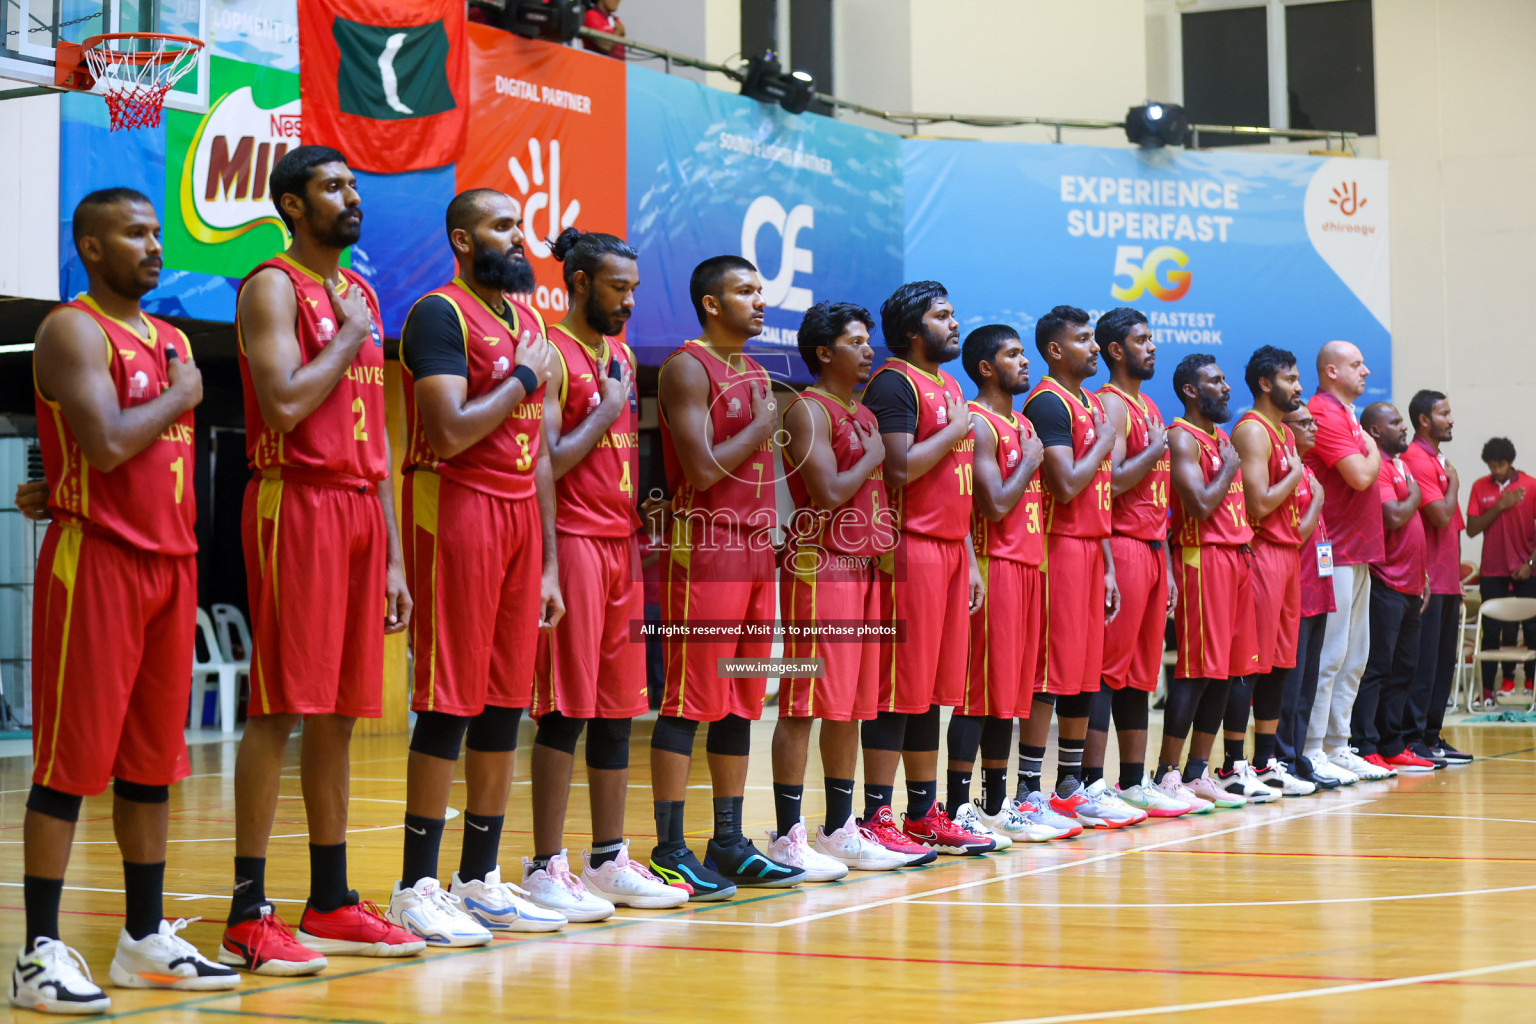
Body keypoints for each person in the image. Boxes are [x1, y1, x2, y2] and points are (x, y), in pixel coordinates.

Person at [11, 188, 236, 1015]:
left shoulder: (171, 338)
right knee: (69, 766)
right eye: (134, 234)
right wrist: (182, 396)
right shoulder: (71, 329)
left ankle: (144, 939)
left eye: (156, 232)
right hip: (97, 562)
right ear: (91, 248)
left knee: (151, 766)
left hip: (170, 568)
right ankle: (38, 952)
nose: (153, 245)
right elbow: (105, 445)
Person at [224, 146, 423, 973]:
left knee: (343, 709)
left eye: (354, 186)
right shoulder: (271, 286)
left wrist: (393, 559)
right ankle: (246, 910)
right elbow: (287, 399)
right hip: (293, 500)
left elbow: (373, 431)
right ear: (292, 205)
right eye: (333, 187)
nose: (352, 198)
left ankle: (332, 899)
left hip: (357, 510)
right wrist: (346, 338)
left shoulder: (364, 294)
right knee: (279, 706)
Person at [387, 189, 575, 943]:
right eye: (503, 226)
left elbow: (538, 457)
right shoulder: (439, 313)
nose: (518, 239)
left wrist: (551, 565)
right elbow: (451, 429)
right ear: (464, 240)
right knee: (448, 702)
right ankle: (415, 885)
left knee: (504, 702)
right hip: (454, 508)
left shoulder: (529, 323)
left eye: (519, 226)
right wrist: (526, 379)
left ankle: (480, 877)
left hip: (519, 521)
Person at [528, 227, 691, 909]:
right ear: (579, 283)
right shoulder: (549, 351)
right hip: (571, 542)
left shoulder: (618, 353)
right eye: (617, 288)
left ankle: (607, 858)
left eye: (634, 289)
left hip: (622, 545)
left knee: (620, 709)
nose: (629, 302)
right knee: (564, 707)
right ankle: (544, 865)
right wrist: (611, 408)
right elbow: (548, 459)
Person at [648, 256, 805, 899]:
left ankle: (729, 841)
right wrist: (766, 427)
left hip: (754, 547)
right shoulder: (687, 367)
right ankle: (668, 847)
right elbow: (705, 469)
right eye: (745, 292)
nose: (760, 302)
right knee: (689, 698)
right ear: (712, 304)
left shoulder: (757, 370)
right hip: (705, 547)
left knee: (740, 698)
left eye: (761, 291)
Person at [769, 301, 907, 873]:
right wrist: (875, 454)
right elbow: (826, 492)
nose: (869, 348)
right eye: (856, 341)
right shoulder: (809, 410)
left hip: (863, 567)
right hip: (818, 566)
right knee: (804, 701)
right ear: (825, 352)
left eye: (869, 338)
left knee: (849, 705)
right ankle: (787, 834)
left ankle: (839, 826)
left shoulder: (863, 413)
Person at [860, 281, 991, 857]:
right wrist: (955, 430)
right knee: (897, 689)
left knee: (933, 691)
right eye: (943, 316)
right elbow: (898, 468)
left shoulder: (949, 384)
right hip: (906, 550)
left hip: (950, 551)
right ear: (915, 331)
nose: (954, 323)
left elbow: (951, 486)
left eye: (953, 313)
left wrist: (969, 555)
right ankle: (875, 814)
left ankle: (922, 812)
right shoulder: (893, 382)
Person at [946, 325, 1076, 844]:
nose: (1024, 362)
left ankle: (996, 805)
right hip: (993, 563)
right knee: (978, 693)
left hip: (1028, 565)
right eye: (1013, 354)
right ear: (985, 367)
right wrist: (1029, 459)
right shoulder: (977, 423)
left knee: (1011, 694)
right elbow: (996, 503)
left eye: (1024, 353)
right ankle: (957, 806)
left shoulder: (1020, 422)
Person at [1019, 306, 1126, 828]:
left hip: (1089, 548)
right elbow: (1064, 485)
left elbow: (1098, 496)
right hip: (1056, 548)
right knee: (1051, 672)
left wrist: (1107, 563)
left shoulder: (1086, 402)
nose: (1095, 347)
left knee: (1085, 672)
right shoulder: (1047, 403)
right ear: (1056, 350)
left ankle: (1071, 786)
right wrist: (1107, 441)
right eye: (1084, 339)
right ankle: (1026, 790)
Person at [1090, 308, 1192, 818]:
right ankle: (1089, 783)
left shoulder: (1148, 403)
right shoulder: (1110, 405)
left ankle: (1133, 782)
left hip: (1154, 550)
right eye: (1141, 340)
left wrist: (1170, 567)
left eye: (1152, 339)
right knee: (1109, 671)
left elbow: (1160, 498)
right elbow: (1107, 485)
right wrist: (1155, 449)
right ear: (1115, 350)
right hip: (1123, 545)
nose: (1152, 347)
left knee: (1141, 675)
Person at [1156, 354, 1255, 811]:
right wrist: (1231, 469)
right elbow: (1196, 505)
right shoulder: (1182, 437)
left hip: (1234, 556)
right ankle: (1167, 773)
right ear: (1191, 391)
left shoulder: (1219, 438)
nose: (1227, 387)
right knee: (1197, 671)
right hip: (1202, 558)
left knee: (1226, 673)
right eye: (1215, 381)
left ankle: (1197, 772)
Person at [1227, 346, 1319, 797]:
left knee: (1281, 663)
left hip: (1288, 556)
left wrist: (1309, 492)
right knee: (1252, 663)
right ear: (1266, 383)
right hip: (1261, 554)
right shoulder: (1253, 430)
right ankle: (1231, 764)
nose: (1299, 387)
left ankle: (1265, 763)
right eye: (1291, 378)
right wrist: (1297, 473)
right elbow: (1259, 503)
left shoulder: (1283, 433)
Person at [1301, 341, 1389, 785]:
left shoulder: (1349, 415)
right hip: (1331, 548)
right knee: (1330, 655)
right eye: (1357, 365)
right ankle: (1312, 748)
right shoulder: (1325, 412)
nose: (1366, 371)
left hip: (1359, 551)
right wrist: (1375, 450)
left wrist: (1368, 445)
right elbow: (1360, 474)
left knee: (1355, 656)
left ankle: (1338, 744)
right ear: (1331, 371)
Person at [1352, 404, 1435, 774]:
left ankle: (1392, 743)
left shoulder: (1401, 465)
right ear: (1374, 429)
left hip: (1412, 583)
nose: (1404, 427)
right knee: (1377, 668)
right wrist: (1415, 495)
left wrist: (1423, 575)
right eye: (1396, 422)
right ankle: (1365, 743)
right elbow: (1395, 515)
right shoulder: (1381, 467)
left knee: (1404, 668)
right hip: (1386, 582)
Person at [1399, 391, 1472, 764]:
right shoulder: (1416, 459)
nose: (1451, 419)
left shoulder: (1438, 460)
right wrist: (1455, 483)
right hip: (1427, 581)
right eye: (1444, 413)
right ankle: (1412, 739)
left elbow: (1452, 529)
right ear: (1424, 420)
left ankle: (1431, 735)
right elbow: (1441, 516)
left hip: (1448, 583)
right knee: (1422, 666)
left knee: (1443, 665)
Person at [1277, 405, 1337, 788]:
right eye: (1305, 423)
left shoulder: (1309, 469)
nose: (1313, 427)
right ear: (1285, 428)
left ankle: (1298, 756)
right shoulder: (1286, 471)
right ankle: (1281, 758)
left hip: (1319, 587)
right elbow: (1295, 533)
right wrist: (1317, 501)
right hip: (1294, 587)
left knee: (1309, 682)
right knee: (1290, 682)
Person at [1466, 437, 1536, 709]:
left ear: (1511, 462)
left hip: (1526, 569)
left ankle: (1530, 684)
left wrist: (1530, 564)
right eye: (1492, 465)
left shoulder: (1530, 485)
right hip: (1493, 570)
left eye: (1501, 465)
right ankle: (1486, 690)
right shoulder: (1479, 487)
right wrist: (1500, 505)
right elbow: (1472, 529)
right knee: (1490, 630)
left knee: (1531, 627)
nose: (1496, 470)